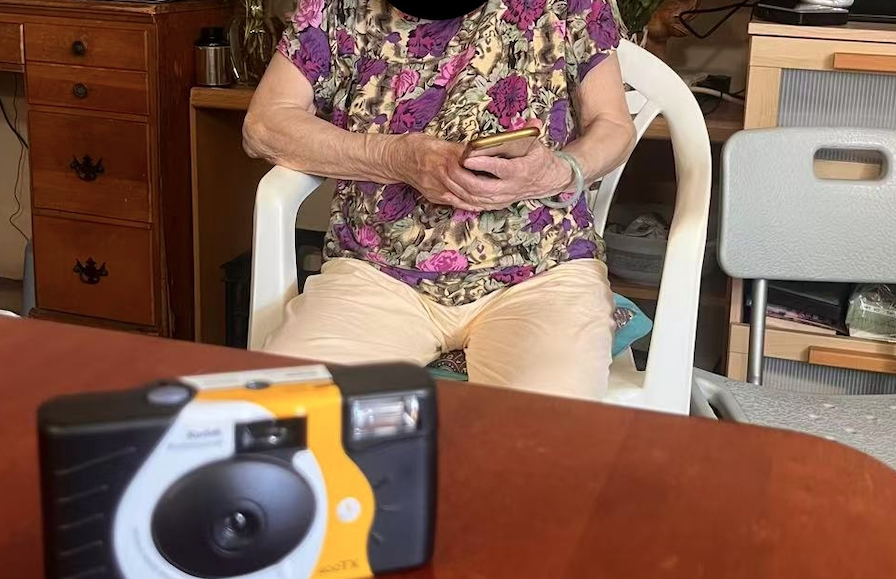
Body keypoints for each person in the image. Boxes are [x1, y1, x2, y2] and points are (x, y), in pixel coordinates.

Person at [243, 0, 636, 399]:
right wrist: (393, 157)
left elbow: (614, 125)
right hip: (374, 272)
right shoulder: (336, 6)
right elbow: (263, 125)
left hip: (544, 272)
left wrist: (558, 171)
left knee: (539, 428)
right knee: (285, 409)